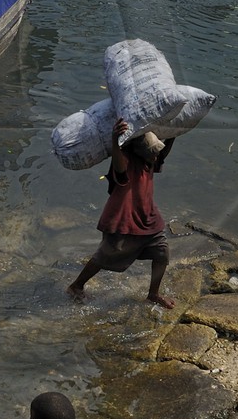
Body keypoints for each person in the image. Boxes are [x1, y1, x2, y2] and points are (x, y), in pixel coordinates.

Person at [67, 118, 177, 309]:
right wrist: (114, 138)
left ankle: (153, 294)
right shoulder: (127, 160)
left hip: (147, 217)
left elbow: (162, 152)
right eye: (152, 154)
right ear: (139, 152)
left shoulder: (149, 160)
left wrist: (175, 132)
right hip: (122, 218)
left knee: (162, 253)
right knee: (104, 256)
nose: (156, 157)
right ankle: (76, 286)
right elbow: (118, 165)